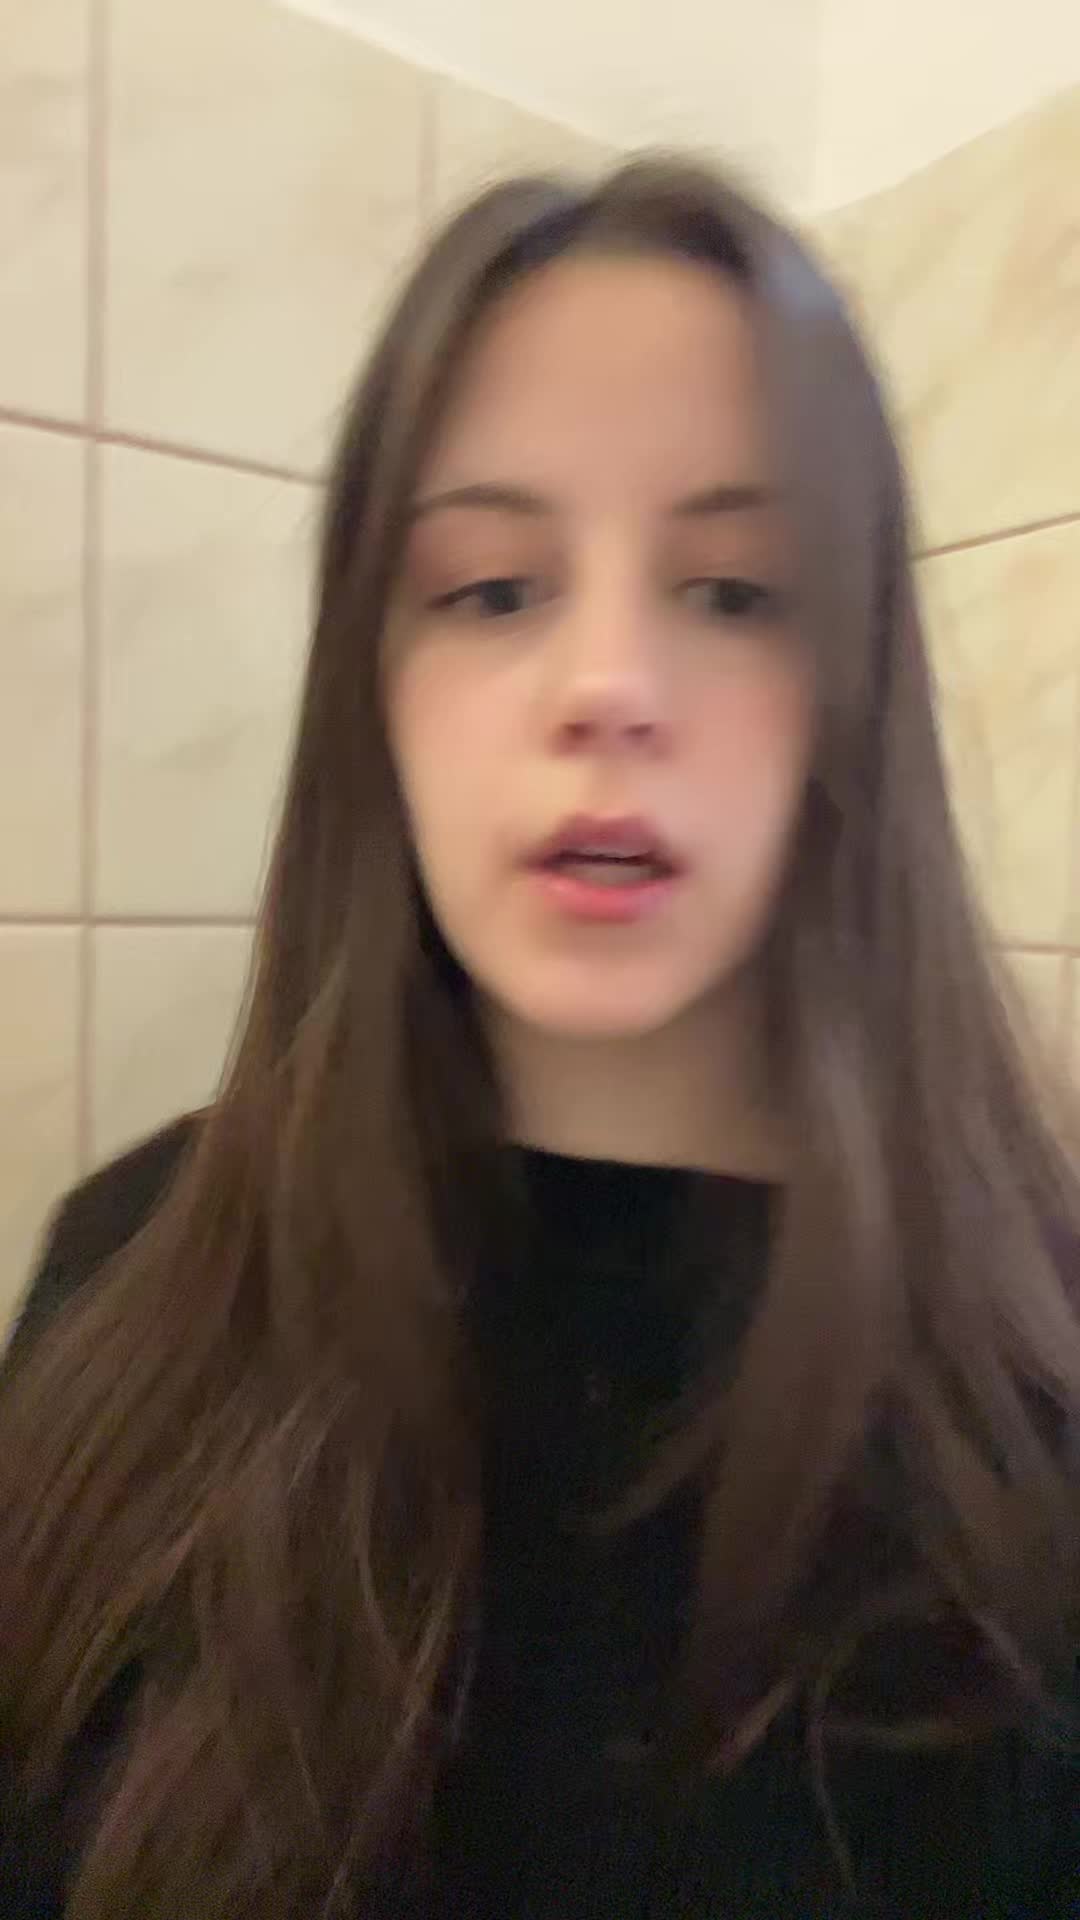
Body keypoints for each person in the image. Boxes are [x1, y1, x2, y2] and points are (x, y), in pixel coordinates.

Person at [0, 156, 1077, 1919]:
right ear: (374, 693)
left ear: (856, 691)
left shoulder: (1039, 1405)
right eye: (494, 589)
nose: (608, 686)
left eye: (736, 591)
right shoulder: (125, 1287)